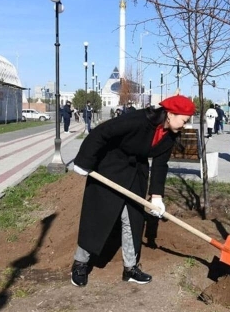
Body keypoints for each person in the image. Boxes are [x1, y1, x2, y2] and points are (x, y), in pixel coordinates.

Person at [70, 95, 195, 287]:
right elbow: (102, 132)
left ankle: (130, 268)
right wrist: (84, 161)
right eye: (184, 120)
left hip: (137, 173)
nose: (185, 125)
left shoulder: (170, 135)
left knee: (133, 219)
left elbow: (161, 165)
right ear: (170, 114)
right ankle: (80, 264)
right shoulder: (138, 120)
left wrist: (156, 196)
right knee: (98, 216)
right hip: (110, 167)